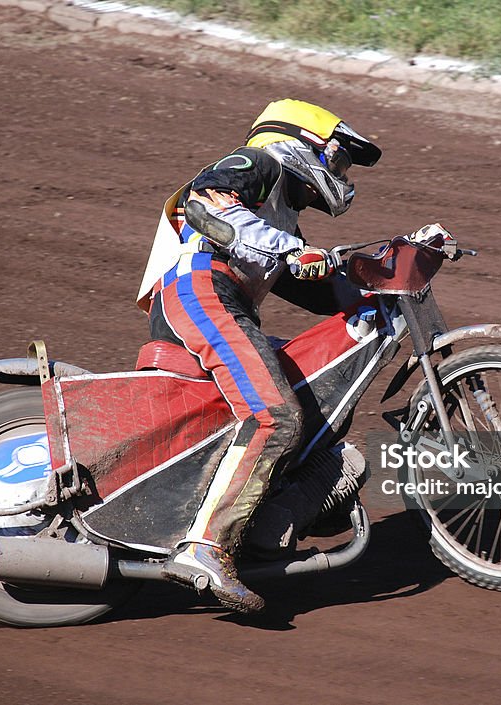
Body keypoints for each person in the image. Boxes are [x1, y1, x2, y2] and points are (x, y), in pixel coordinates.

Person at [135, 99, 382, 612]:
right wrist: (291, 250)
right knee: (275, 415)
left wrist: (389, 272)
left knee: (313, 400)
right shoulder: (259, 164)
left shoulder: (281, 219)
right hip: (200, 289)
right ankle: (204, 548)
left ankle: (259, 522)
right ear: (302, 144)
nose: (341, 175)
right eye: (338, 160)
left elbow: (327, 291)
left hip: (221, 303)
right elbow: (205, 200)